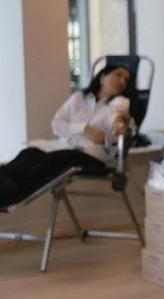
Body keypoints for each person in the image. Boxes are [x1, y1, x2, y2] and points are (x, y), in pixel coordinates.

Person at [0, 65, 130, 206]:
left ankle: (12, 193)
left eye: (126, 79)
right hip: (64, 146)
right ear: (103, 77)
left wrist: (117, 123)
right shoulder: (78, 98)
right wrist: (84, 128)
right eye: (118, 75)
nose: (122, 81)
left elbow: (116, 115)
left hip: (92, 155)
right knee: (29, 153)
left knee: (50, 161)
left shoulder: (120, 102)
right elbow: (57, 124)